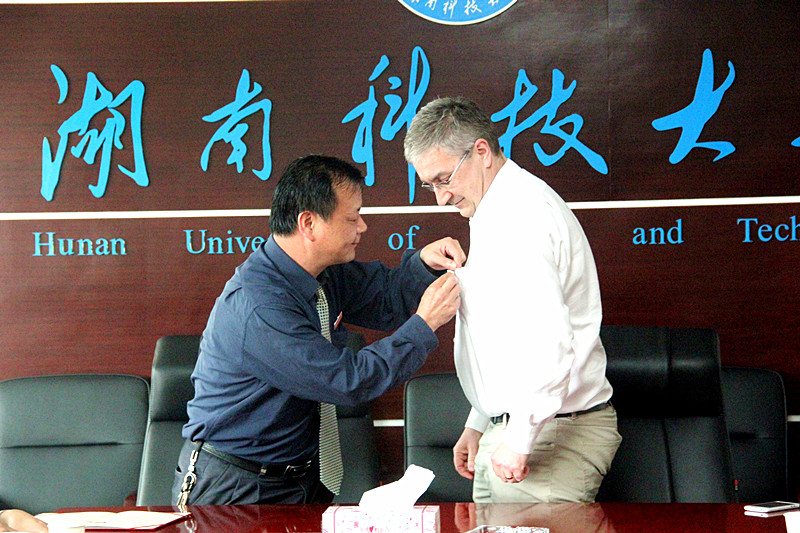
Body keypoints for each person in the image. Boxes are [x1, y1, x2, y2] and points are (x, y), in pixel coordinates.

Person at [173, 154, 463, 505]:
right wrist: (425, 324)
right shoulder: (260, 304)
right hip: (237, 486)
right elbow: (347, 380)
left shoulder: (321, 272)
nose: (362, 227)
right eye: (352, 218)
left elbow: (385, 296)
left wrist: (424, 265)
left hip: (302, 476)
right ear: (308, 223)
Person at [404, 96, 621, 503]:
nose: (440, 197)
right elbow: (507, 338)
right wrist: (480, 420)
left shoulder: (521, 217)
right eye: (430, 185)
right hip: (520, 427)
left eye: (444, 179)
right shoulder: (495, 210)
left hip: (550, 433)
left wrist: (519, 437)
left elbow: (551, 343)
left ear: (481, 152)